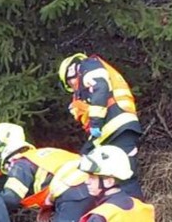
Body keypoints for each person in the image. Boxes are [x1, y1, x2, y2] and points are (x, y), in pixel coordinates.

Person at [58, 53, 144, 198]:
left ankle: (134, 212)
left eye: (71, 84)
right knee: (95, 167)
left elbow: (101, 87)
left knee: (125, 176)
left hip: (117, 127)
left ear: (71, 71)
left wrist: (95, 122)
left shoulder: (88, 66)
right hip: (112, 130)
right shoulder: (91, 68)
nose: (74, 89)